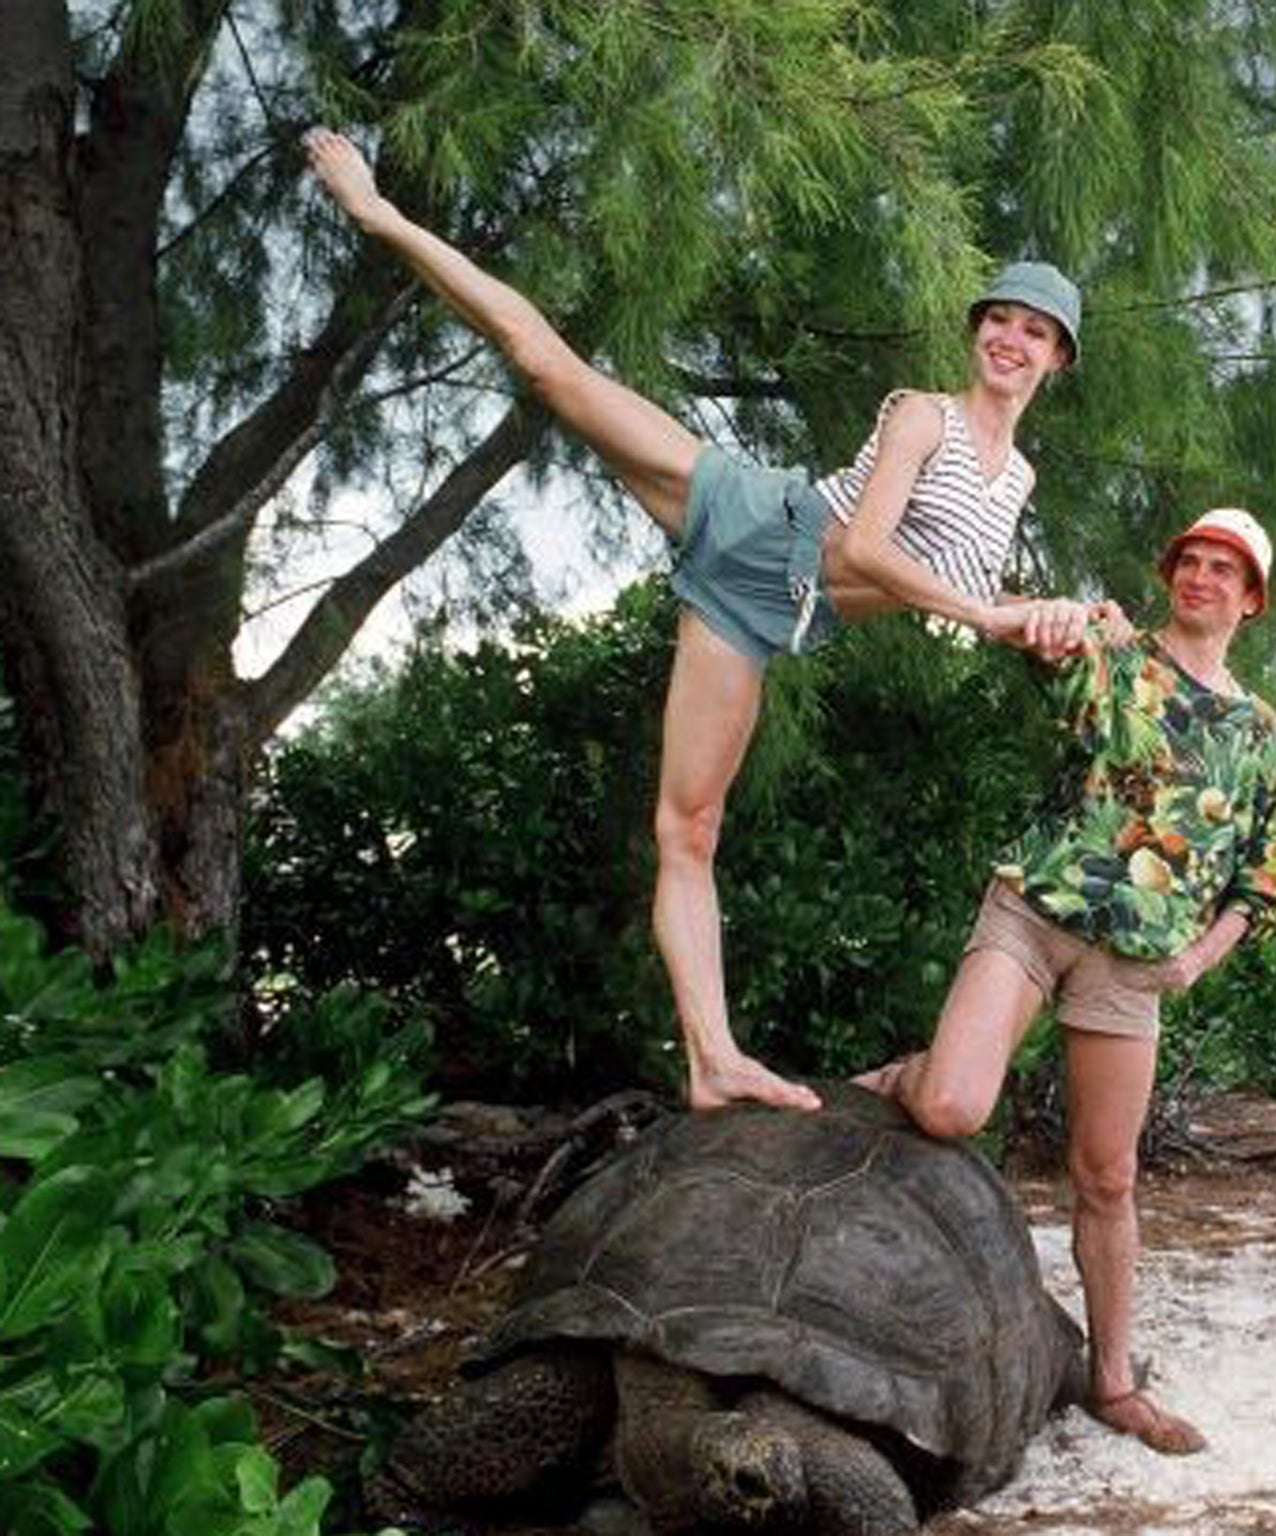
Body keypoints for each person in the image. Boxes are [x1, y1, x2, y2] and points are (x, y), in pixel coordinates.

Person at [303, 128, 1113, 1113]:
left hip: (757, 614)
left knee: (688, 827)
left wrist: (1062, 616)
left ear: (1057, 360)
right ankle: (376, 210)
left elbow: (958, 584)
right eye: (1001, 319)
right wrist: (991, 614)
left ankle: (712, 1060)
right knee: (547, 365)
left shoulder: (1014, 477)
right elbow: (863, 551)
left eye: (1035, 332)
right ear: (976, 327)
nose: (1010, 340)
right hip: (744, 513)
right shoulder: (920, 416)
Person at [858, 508, 1276, 1457]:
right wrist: (1045, 615)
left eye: (1226, 570)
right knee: (953, 1108)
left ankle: (1111, 1381)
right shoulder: (1112, 652)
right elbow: (1022, 633)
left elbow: (1260, 881)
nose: (1203, 578)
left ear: (1251, 600)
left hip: (1133, 965)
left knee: (1108, 1175)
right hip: (1034, 912)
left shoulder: (1257, 733)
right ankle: (908, 1076)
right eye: (1192, 561)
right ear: (1171, 573)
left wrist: (1193, 960)